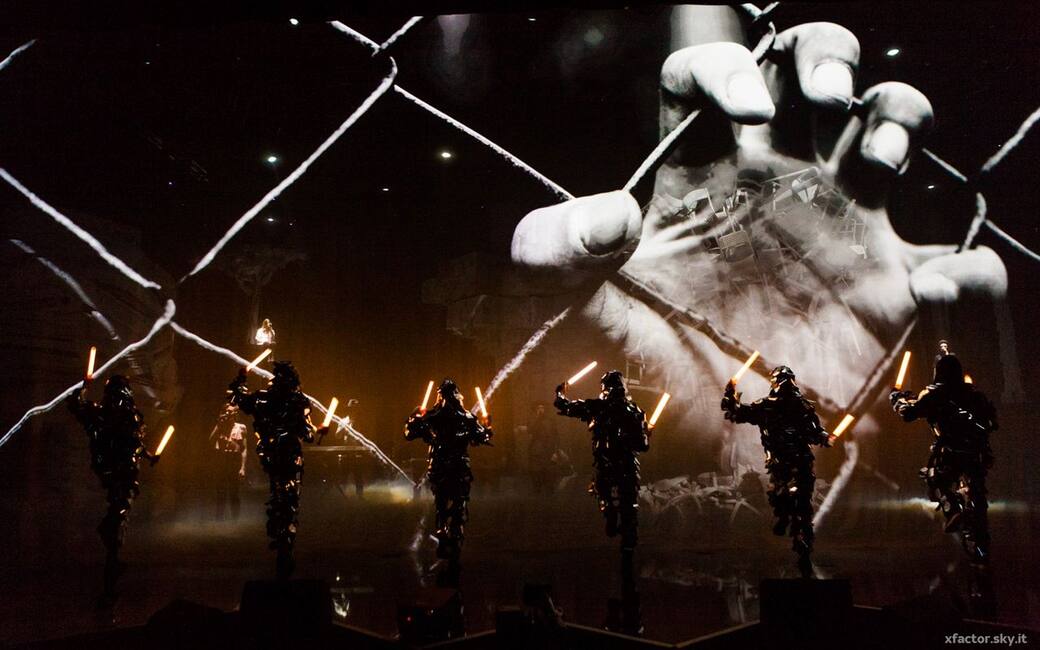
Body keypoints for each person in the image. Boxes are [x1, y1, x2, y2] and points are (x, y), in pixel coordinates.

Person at [890, 342, 997, 566]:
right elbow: (991, 422)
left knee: (933, 477)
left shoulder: (934, 394)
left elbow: (909, 414)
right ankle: (976, 535)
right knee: (975, 491)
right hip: (977, 451)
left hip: (952, 450)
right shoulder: (974, 394)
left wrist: (898, 400)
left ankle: (953, 508)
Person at [721, 366, 832, 576]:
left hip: (796, 462)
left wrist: (824, 437)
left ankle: (802, 545)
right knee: (785, 498)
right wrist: (730, 395)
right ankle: (789, 524)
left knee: (800, 505)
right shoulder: (772, 406)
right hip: (785, 463)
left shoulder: (793, 406)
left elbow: (815, 432)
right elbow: (738, 411)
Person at [227, 360, 327, 579]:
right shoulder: (297, 400)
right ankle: (285, 542)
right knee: (289, 497)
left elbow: (236, 397)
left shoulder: (262, 398)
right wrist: (319, 430)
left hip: (270, 455)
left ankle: (281, 537)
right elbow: (307, 434)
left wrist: (241, 378)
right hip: (290, 455)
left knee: (279, 493)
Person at [67, 374, 158, 602]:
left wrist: (148, 455)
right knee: (115, 520)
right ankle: (112, 567)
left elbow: (135, 442)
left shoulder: (114, 414)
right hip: (119, 475)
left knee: (116, 519)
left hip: (120, 475)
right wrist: (84, 386)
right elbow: (77, 406)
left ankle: (112, 569)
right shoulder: (113, 414)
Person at [554, 370, 650, 552]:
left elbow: (565, 406)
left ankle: (611, 516)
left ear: (605, 388)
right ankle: (628, 536)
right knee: (628, 501)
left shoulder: (598, 407)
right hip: (627, 463)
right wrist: (644, 433)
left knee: (603, 491)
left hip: (606, 461)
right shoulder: (635, 411)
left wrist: (560, 393)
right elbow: (643, 446)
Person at [405, 379, 492, 560]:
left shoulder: (434, 416)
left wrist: (413, 419)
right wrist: (487, 428)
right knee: (455, 501)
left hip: (442, 465)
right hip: (454, 465)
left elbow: (410, 433)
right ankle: (451, 531)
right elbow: (482, 437)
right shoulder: (464, 417)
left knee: (443, 501)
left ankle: (445, 529)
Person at [209, 404, 248, 520]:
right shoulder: (220, 425)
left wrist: (242, 467)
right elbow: (211, 440)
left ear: (235, 413)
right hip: (222, 459)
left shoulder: (241, 427)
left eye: (230, 411)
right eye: (226, 411)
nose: (228, 413)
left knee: (234, 491)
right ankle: (219, 519)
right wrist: (219, 425)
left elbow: (244, 449)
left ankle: (235, 520)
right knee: (220, 491)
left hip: (234, 460)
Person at [527, 403, 560, 494]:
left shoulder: (550, 421)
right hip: (537, 450)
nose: (540, 409)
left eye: (542, 408)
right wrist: (537, 419)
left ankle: (549, 491)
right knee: (536, 472)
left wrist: (555, 452)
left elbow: (555, 436)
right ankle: (537, 490)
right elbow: (530, 430)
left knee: (549, 473)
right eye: (538, 408)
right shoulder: (533, 420)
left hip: (548, 450)